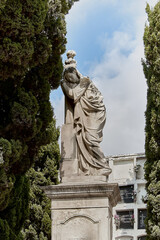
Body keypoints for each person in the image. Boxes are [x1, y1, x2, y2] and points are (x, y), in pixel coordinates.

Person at [61, 51, 111, 176]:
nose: (70, 80)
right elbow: (71, 95)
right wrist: (64, 85)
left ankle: (102, 165)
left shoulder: (85, 81)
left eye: (71, 77)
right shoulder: (72, 84)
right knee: (83, 139)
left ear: (76, 74)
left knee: (90, 139)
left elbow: (73, 95)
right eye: (68, 79)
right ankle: (88, 167)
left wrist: (64, 85)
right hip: (82, 114)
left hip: (95, 113)